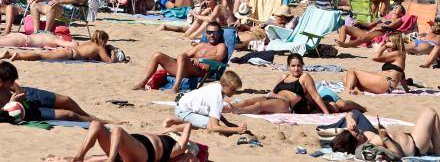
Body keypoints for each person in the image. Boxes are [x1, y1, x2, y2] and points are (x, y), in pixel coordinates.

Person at [231, 54, 365, 115]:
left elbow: (316, 96)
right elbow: (273, 92)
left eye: (299, 66)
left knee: (340, 105)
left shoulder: (304, 77)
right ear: (288, 66)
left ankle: (361, 107)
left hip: (304, 97)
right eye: (293, 66)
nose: (296, 69)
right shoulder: (283, 76)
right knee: (249, 100)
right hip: (282, 99)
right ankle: (226, 108)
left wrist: (326, 114)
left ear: (303, 66)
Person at [0, 61, 98, 122]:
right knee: (69, 114)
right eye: (9, 82)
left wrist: (19, 91)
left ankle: (88, 116)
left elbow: (13, 84)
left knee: (66, 100)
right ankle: (97, 121)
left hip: (26, 95)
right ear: (1, 82)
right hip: (24, 109)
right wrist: (11, 104)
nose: (12, 84)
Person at [132, 21, 228, 93]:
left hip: (199, 71)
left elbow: (219, 57)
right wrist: (175, 60)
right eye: (209, 32)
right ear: (206, 33)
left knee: (182, 57)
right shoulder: (201, 45)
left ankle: (176, 87)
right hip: (187, 68)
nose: (212, 35)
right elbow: (185, 55)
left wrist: (199, 59)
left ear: (220, 33)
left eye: (215, 32)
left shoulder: (221, 46)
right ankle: (141, 84)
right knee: (157, 55)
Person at [331, 107, 440, 158]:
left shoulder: (363, 137)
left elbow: (352, 112)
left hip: (412, 141)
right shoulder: (372, 143)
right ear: (356, 143)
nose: (359, 132)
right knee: (430, 112)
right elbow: (396, 155)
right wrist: (385, 138)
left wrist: (349, 118)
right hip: (415, 145)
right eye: (357, 134)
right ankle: (438, 152)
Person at [165, 70, 248, 134]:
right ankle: (173, 129)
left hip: (183, 105)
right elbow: (214, 127)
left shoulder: (216, 86)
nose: (234, 92)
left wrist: (227, 123)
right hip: (184, 110)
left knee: (205, 120)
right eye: (233, 89)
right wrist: (236, 129)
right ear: (223, 85)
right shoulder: (217, 97)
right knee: (207, 125)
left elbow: (215, 111)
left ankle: (173, 121)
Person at [69, 121, 193, 162]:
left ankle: (111, 160)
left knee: (118, 130)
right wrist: (169, 129)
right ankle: (79, 157)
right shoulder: (161, 133)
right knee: (96, 124)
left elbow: (188, 125)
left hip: (143, 154)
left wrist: (174, 127)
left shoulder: (178, 147)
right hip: (121, 148)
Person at [0, 30, 125, 63]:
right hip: (70, 54)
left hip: (68, 51)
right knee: (41, 56)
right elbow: (108, 62)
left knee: (43, 55)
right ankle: (18, 56)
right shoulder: (100, 47)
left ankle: (10, 54)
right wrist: (113, 52)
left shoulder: (90, 42)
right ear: (103, 40)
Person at [344, 33, 409, 94]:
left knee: (351, 71)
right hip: (388, 86)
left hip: (386, 82)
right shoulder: (398, 55)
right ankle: (355, 91)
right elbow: (401, 73)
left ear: (394, 42)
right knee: (347, 78)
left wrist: (385, 46)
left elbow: (375, 57)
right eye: (385, 41)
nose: (385, 43)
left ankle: (347, 91)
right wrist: (407, 89)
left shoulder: (398, 54)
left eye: (388, 41)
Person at [337, 4, 408, 48]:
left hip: (381, 32)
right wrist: (359, 23)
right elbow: (369, 25)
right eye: (395, 7)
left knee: (365, 37)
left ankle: (346, 45)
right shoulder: (383, 18)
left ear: (401, 13)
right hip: (370, 31)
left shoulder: (399, 19)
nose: (395, 7)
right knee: (344, 27)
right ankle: (341, 42)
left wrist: (384, 24)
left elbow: (391, 26)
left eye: (398, 7)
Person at [0, 28, 77, 50]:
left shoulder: (48, 35)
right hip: (23, 41)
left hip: (20, 36)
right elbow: (73, 46)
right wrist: (73, 42)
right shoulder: (54, 39)